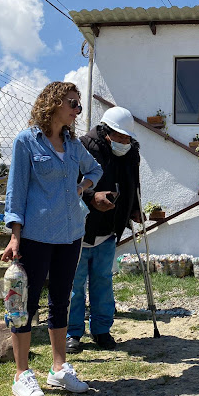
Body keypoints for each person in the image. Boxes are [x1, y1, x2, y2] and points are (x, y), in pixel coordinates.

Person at [2, 82, 103, 396]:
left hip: (71, 233)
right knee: (24, 305)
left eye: (79, 105)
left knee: (62, 300)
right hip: (35, 235)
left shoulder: (73, 145)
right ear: (53, 103)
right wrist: (14, 235)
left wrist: (82, 187)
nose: (77, 110)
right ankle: (22, 373)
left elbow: (96, 169)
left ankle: (59, 368)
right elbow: (15, 192)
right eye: (73, 103)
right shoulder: (26, 142)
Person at [66, 106, 141, 353]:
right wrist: (91, 196)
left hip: (109, 228)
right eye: (119, 136)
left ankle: (101, 330)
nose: (123, 141)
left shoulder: (131, 153)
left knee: (103, 281)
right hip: (79, 228)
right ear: (106, 132)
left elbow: (134, 183)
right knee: (75, 285)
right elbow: (71, 183)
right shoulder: (84, 146)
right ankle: (72, 333)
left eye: (127, 137)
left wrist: (134, 208)